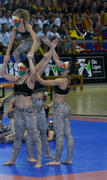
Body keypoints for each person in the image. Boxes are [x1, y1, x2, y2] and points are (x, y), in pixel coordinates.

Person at [36, 38, 74, 166]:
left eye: (64, 66)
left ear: (67, 70)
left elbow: (43, 82)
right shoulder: (67, 77)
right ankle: (69, 158)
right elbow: (57, 60)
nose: (61, 65)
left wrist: (34, 74)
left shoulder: (60, 80)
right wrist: (52, 47)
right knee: (68, 134)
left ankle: (57, 160)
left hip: (59, 108)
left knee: (59, 133)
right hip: (66, 107)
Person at [0, 53, 42, 168]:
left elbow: (34, 73)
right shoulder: (16, 79)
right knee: (17, 136)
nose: (19, 70)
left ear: (27, 69)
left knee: (34, 136)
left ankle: (39, 160)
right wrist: (5, 62)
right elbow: (2, 73)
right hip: (18, 112)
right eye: (18, 68)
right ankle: (12, 159)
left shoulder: (30, 80)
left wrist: (30, 59)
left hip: (28, 111)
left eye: (22, 68)